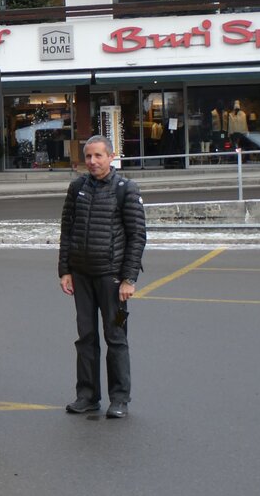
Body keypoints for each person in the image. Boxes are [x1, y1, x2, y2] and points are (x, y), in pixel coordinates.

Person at [59, 135, 147, 419]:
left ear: (111, 156)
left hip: (112, 281)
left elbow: (137, 236)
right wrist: (65, 271)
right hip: (82, 277)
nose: (93, 162)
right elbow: (67, 232)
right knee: (85, 337)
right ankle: (87, 395)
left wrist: (129, 279)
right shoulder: (76, 188)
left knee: (116, 336)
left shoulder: (126, 189)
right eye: (88, 156)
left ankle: (120, 398)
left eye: (98, 156)